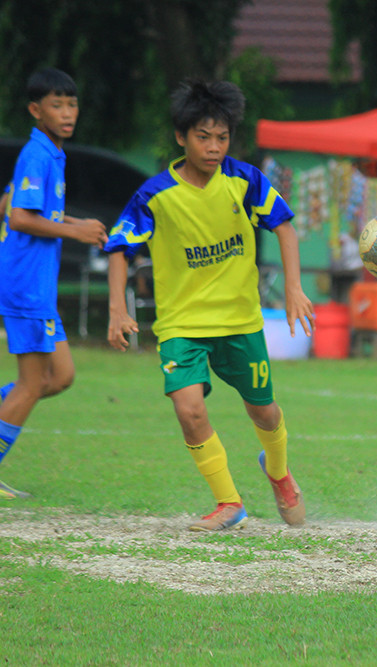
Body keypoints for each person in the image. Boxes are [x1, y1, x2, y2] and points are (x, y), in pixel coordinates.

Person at [105, 80, 315, 530]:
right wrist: (117, 311)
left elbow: (285, 227)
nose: (215, 146)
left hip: (240, 322)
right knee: (189, 409)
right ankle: (229, 502)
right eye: (204, 137)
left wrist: (294, 288)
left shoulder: (244, 180)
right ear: (182, 137)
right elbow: (119, 248)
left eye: (222, 137)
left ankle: (278, 471)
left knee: (265, 411)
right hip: (181, 325)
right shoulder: (154, 195)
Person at [0, 68, 108, 500]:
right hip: (26, 284)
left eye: (72, 104)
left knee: (60, 376)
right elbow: (20, 216)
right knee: (29, 385)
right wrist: (75, 232)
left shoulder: (50, 153)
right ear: (35, 110)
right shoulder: (38, 155)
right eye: (57, 105)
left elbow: (16, 202)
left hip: (37, 288)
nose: (67, 113)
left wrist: (72, 221)